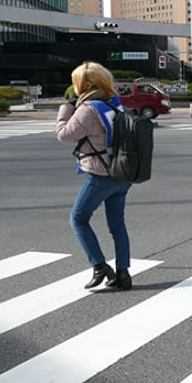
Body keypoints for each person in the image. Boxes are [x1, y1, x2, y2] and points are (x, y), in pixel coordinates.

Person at [56, 62, 133, 291]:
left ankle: (100, 266)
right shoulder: (115, 104)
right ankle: (123, 274)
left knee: (78, 219)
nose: (74, 86)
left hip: (101, 175)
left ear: (86, 84)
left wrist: (65, 109)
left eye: (76, 82)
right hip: (123, 173)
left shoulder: (89, 109)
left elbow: (64, 135)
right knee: (117, 225)